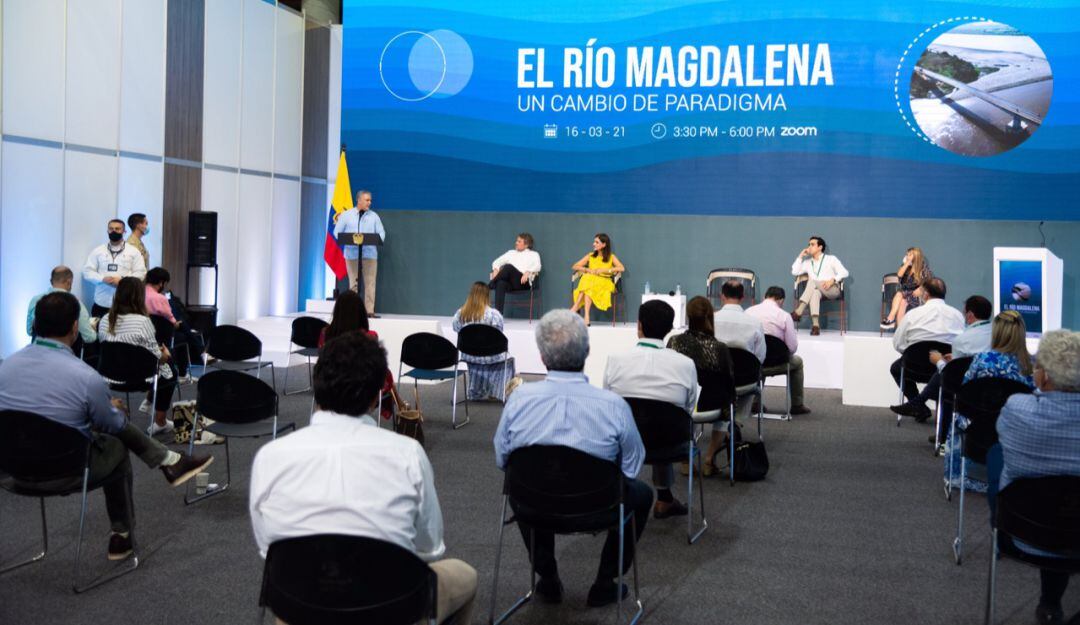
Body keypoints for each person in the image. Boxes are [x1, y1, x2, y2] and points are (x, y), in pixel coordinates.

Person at [250, 332, 477, 625]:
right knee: (465, 576)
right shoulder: (408, 454)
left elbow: (268, 548)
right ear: (375, 396)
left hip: (302, 606)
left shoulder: (270, 457)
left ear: (317, 384)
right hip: (387, 607)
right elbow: (429, 548)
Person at [0, 292, 212, 561]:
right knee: (117, 443)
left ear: (34, 324)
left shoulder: (5, 368)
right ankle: (122, 536)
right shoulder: (84, 377)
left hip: (13, 471)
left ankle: (169, 461)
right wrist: (110, 407)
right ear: (75, 327)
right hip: (66, 470)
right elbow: (112, 424)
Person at [494, 309, 650, 607]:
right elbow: (632, 466)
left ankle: (548, 578)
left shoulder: (518, 401)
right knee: (641, 495)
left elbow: (503, 459)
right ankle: (606, 581)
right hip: (599, 507)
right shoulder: (613, 406)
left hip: (534, 507)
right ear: (588, 351)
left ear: (541, 356)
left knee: (520, 487)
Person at [994, 330, 1080, 625]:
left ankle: (1050, 603)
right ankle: (1051, 602)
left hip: (1023, 531)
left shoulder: (1017, 408)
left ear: (1043, 376)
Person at [604, 300, 698, 518]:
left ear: (639, 326)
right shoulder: (685, 364)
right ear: (670, 329)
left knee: (641, 418)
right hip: (671, 443)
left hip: (624, 444)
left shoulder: (615, 361)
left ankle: (622, 498)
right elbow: (688, 407)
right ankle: (664, 498)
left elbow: (610, 405)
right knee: (663, 420)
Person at [943, 310, 1036, 492]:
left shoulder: (982, 360)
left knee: (956, 418)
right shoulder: (1031, 366)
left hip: (979, 431)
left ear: (996, 332)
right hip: (1017, 432)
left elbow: (964, 395)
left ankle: (956, 477)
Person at [890, 295, 993, 435]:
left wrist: (938, 360)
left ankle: (925, 413)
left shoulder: (962, 340)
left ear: (970, 315)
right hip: (993, 386)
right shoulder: (996, 335)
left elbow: (953, 374)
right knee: (942, 377)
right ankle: (919, 404)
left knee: (944, 380)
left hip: (965, 387)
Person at [98, 277, 177, 436]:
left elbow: (106, 347)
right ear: (139, 297)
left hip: (110, 377)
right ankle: (160, 421)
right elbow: (156, 356)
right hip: (139, 379)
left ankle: (149, 402)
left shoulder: (105, 319)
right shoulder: (143, 321)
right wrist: (166, 355)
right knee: (170, 370)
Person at [668, 296, 734, 477]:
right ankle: (709, 457)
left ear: (688, 317)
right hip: (711, 406)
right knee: (726, 404)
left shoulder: (674, 342)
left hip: (679, 406)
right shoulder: (720, 348)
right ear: (710, 316)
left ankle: (686, 459)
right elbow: (729, 382)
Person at [890, 277, 965, 416]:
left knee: (896, 368)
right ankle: (938, 412)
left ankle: (918, 406)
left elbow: (898, 344)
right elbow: (962, 345)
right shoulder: (958, 316)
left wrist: (912, 353)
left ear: (925, 294)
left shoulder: (912, 314)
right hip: (944, 369)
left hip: (914, 367)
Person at [318, 290, 395, 420]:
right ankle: (397, 407)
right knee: (385, 373)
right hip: (361, 390)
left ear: (337, 311)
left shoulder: (325, 334)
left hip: (331, 387)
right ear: (360, 312)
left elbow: (322, 362)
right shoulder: (370, 336)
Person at [746, 286, 811, 415]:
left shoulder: (748, 312)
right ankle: (797, 405)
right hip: (776, 363)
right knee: (797, 362)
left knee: (759, 357)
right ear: (781, 300)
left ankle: (754, 402)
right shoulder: (784, 316)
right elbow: (792, 348)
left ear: (765, 296)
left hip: (752, 364)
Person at [452, 282, 516, 401]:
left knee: (482, 360)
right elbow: (498, 334)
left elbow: (456, 329)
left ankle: (477, 391)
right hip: (492, 355)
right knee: (507, 360)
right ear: (487, 296)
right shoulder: (494, 315)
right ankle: (498, 392)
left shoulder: (460, 314)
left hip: (469, 355)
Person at [332, 190, 385, 316]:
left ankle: (369, 312)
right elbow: (336, 232)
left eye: (370, 200)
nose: (369, 203)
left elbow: (382, 233)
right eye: (367, 200)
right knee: (353, 284)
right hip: (352, 255)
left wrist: (377, 239)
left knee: (370, 283)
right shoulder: (346, 215)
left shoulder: (374, 216)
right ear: (359, 200)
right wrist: (350, 238)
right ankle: (353, 313)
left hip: (369, 255)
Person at [144, 267, 201, 383]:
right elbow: (170, 319)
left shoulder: (138, 294)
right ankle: (185, 371)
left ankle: (202, 351)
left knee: (182, 330)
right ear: (161, 283)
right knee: (183, 334)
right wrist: (176, 323)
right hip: (162, 337)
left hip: (144, 335)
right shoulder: (160, 298)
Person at [83, 218, 147, 318]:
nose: (114, 231)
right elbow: (87, 271)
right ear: (107, 231)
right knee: (100, 332)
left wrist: (123, 281)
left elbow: (141, 273)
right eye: (111, 228)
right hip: (101, 303)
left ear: (124, 231)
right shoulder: (98, 251)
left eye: (117, 229)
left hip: (125, 303)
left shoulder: (133, 251)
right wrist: (102, 279)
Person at [790, 236, 849, 336]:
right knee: (815, 293)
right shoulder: (807, 262)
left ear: (820, 247)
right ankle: (816, 326)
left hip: (831, 289)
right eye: (809, 244)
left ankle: (799, 311)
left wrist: (833, 280)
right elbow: (795, 272)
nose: (809, 247)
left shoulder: (831, 259)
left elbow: (845, 272)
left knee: (812, 281)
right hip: (817, 290)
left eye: (812, 244)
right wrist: (800, 256)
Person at [26, 266, 96, 345]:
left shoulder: (35, 300)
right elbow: (89, 338)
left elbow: (29, 331)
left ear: (51, 281)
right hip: (65, 354)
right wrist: (93, 329)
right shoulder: (76, 303)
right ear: (69, 282)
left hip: (37, 352)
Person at [571, 233, 624, 326]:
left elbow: (621, 268)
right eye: (594, 242)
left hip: (605, 282)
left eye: (596, 242)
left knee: (587, 280)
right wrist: (586, 269)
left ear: (604, 244)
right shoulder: (590, 255)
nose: (593, 244)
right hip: (591, 283)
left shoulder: (611, 257)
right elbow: (575, 266)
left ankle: (575, 308)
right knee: (588, 280)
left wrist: (605, 270)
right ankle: (586, 317)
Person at [489, 232, 542, 313]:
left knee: (508, 267)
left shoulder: (533, 254)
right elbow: (496, 262)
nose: (516, 243)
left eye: (519, 241)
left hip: (523, 282)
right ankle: (498, 314)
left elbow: (538, 266)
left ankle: (490, 285)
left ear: (526, 245)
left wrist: (528, 272)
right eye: (516, 241)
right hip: (510, 283)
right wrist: (496, 269)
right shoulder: (511, 253)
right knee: (500, 283)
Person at [881, 247, 932, 329]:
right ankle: (894, 320)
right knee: (901, 298)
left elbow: (928, 282)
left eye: (910, 255)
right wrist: (907, 263)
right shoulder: (906, 266)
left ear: (916, 256)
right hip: (905, 293)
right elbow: (899, 275)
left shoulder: (923, 267)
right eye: (907, 254)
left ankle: (892, 321)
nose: (908, 256)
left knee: (901, 297)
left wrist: (921, 288)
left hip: (917, 294)